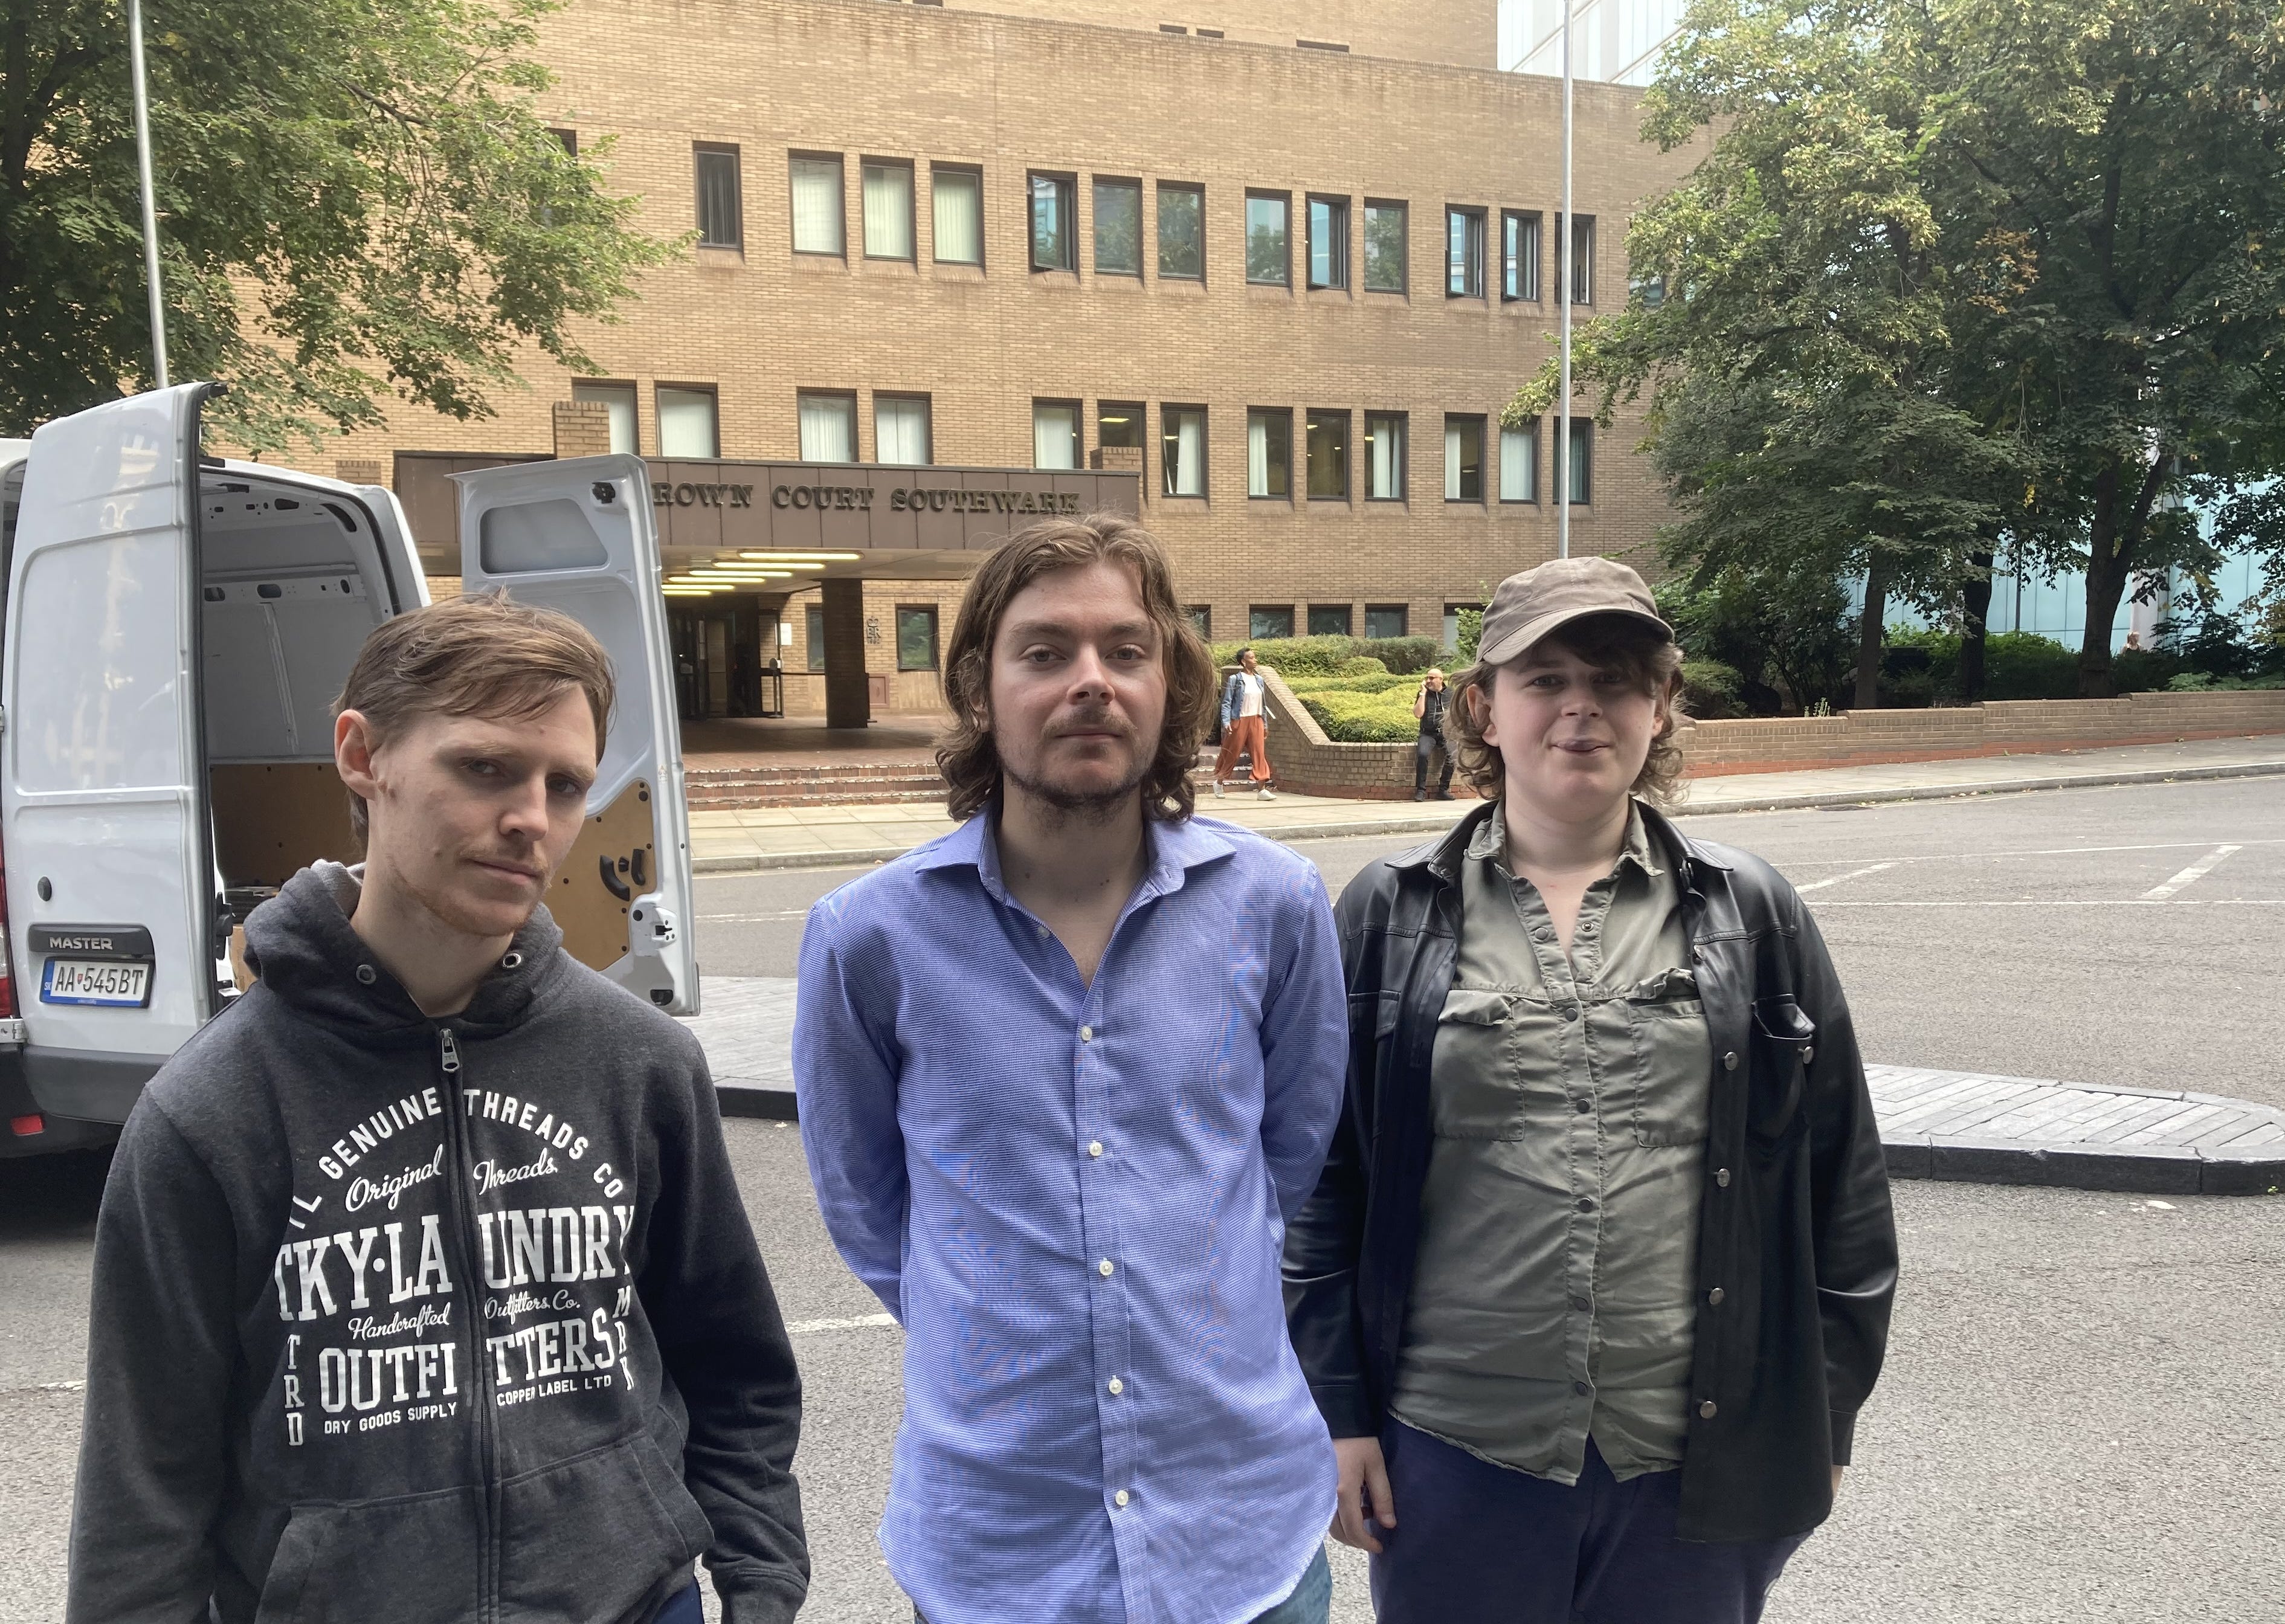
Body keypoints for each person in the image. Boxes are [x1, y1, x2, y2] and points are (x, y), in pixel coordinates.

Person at [68, 594, 810, 1624]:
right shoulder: (210, 1111)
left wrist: (762, 1589)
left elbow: (735, 1370)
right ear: (362, 754)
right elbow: (141, 1495)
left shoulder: (641, 1062)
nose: (533, 820)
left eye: (565, 785)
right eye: (485, 768)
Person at [1284, 556, 1898, 1624]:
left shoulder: (1750, 912)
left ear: (1661, 704)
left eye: (1615, 680)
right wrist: (1338, 1412)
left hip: (1690, 1460)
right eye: (1544, 678)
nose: (1580, 708)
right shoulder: (1389, 912)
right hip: (1454, 1450)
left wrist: (1822, 1419)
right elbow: (1321, 1184)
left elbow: (1839, 1183)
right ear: (1483, 706)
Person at [794, 515, 1347, 1624]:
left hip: (1241, 1543)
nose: (1089, 682)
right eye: (1044, 652)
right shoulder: (869, 936)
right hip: (997, 1548)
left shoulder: (1277, 907)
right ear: (979, 686)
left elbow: (1290, 1161)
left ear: (1169, 680)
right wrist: (1000, 1319)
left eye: (1124, 650)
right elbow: (867, 1209)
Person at [1214, 643, 1278, 799]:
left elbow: (1263, 705)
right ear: (1243, 662)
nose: (1255, 660)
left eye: (1255, 657)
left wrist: (1265, 723)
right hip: (1240, 720)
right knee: (1231, 753)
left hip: (1256, 720)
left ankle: (1262, 790)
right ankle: (1219, 782)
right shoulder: (1235, 679)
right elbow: (1227, 702)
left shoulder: (1259, 680)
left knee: (1259, 754)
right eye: (1251, 657)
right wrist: (1226, 721)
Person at [1411, 667, 1454, 801]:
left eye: (1432, 678)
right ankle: (1421, 791)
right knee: (1423, 755)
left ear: (1440, 679)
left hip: (1446, 733)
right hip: (1428, 734)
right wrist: (1423, 694)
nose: (1428, 681)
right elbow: (1418, 714)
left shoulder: (1450, 693)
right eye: (1427, 678)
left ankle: (1443, 790)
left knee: (1453, 755)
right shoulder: (1423, 693)